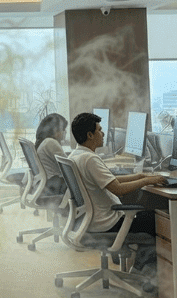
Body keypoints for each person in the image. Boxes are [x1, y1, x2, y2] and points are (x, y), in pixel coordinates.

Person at [69, 112, 166, 275]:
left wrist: (141, 175)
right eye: (99, 130)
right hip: (107, 223)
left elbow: (112, 180)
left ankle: (139, 269)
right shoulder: (90, 159)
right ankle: (140, 272)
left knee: (148, 217)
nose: (103, 133)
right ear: (90, 135)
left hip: (90, 221)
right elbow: (118, 189)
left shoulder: (77, 155)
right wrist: (147, 181)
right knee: (158, 221)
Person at [34, 113, 69, 197]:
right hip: (54, 185)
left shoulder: (44, 141)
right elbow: (68, 167)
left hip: (48, 184)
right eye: (63, 128)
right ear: (55, 129)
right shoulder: (50, 142)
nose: (65, 132)